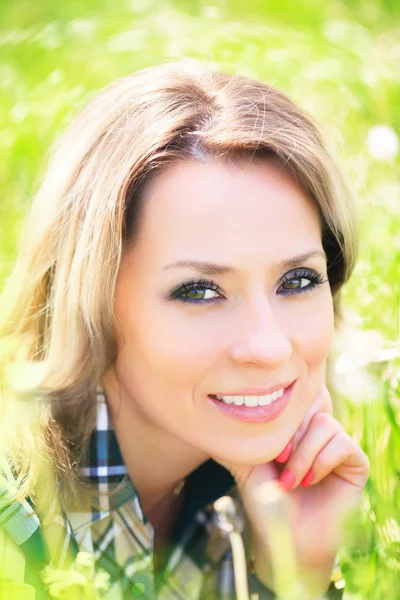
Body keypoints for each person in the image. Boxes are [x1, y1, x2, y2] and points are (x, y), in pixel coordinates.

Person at [0, 59, 369, 599]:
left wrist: (295, 574)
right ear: (93, 303)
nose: (268, 347)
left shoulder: (273, 490)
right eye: (199, 291)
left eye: (297, 280)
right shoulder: (18, 520)